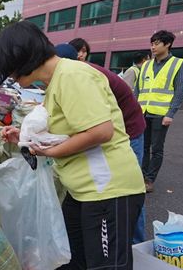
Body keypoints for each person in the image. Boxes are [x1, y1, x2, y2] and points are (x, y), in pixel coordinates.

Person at [0, 22, 145, 270]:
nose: (12, 80)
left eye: (10, 72)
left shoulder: (73, 75)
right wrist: (26, 139)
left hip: (109, 191)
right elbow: (70, 132)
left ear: (22, 59)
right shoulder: (57, 81)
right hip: (83, 191)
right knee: (71, 259)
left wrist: (49, 152)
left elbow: (101, 131)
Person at [55, 43, 147, 243]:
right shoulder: (69, 75)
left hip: (129, 129)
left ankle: (137, 244)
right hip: (114, 126)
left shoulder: (79, 77)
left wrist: (52, 150)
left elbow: (100, 130)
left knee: (126, 192)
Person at [135, 30, 183, 193]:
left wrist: (170, 114)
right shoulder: (146, 65)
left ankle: (149, 180)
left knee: (156, 148)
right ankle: (141, 176)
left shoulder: (178, 63)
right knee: (142, 146)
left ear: (168, 44)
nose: (153, 47)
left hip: (161, 113)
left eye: (157, 43)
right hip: (143, 112)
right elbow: (138, 90)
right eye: (152, 43)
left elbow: (179, 91)